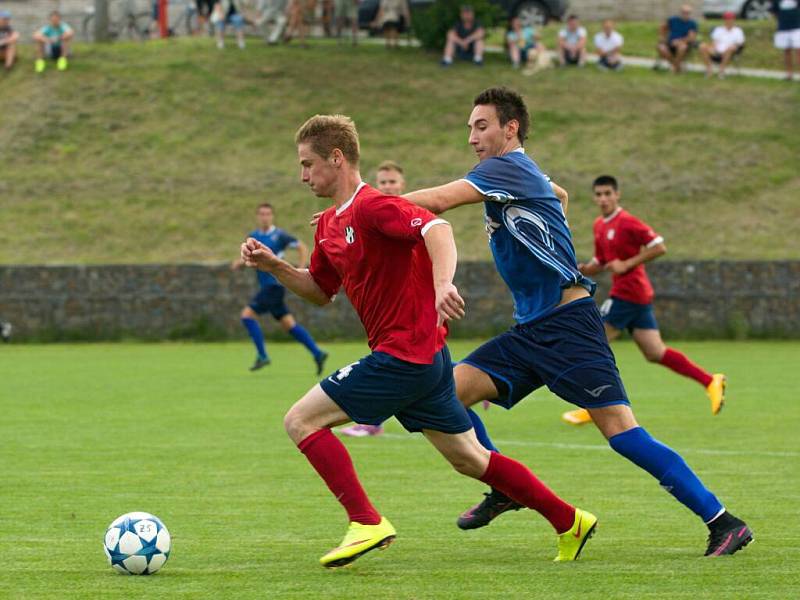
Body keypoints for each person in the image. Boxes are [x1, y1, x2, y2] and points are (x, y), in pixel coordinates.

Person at [402, 86, 752, 557]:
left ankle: (723, 521)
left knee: (623, 433)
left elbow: (439, 201)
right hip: (529, 330)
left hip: (568, 327)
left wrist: (368, 210)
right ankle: (507, 486)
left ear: (511, 129)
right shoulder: (520, 173)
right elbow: (559, 193)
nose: (471, 137)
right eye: (469, 128)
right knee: (447, 393)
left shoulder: (502, 167)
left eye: (480, 126)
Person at [242, 113, 598, 568]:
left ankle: (366, 521)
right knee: (471, 459)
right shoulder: (329, 225)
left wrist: (442, 283)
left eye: (308, 164)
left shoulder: (374, 206)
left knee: (301, 421)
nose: (302, 175)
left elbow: (437, 228)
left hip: (404, 355)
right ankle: (570, 520)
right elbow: (319, 291)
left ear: (337, 158)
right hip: (422, 360)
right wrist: (275, 267)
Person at [561, 175, 726, 426]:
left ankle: (595, 406)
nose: (603, 199)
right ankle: (710, 381)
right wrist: (584, 268)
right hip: (635, 295)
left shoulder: (627, 222)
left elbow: (659, 246)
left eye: (608, 194)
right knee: (654, 352)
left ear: (617, 195)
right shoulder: (599, 225)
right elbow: (602, 261)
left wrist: (628, 263)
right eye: (599, 194)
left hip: (628, 293)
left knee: (592, 343)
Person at [338, 159, 407, 438]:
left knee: (399, 365)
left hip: (413, 306)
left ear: (402, 185)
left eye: (392, 182)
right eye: (383, 182)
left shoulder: (411, 215)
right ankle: (472, 377)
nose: (388, 187)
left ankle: (371, 421)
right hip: (387, 308)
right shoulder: (371, 218)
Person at [232, 203, 328, 373]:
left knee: (247, 316)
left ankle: (262, 355)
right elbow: (251, 255)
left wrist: (300, 266)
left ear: (272, 216)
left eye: (268, 214)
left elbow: (301, 246)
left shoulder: (279, 236)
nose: (265, 217)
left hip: (274, 286)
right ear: (257, 216)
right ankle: (317, 352)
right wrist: (240, 262)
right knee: (288, 324)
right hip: (269, 288)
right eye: (261, 214)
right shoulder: (253, 236)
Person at [700, 12, 745, 79]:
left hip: (729, 52)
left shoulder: (738, 31)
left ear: (733, 20)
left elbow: (740, 43)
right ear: (724, 20)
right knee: (702, 46)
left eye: (730, 19)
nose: (729, 21)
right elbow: (714, 42)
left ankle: (721, 71)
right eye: (727, 19)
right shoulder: (719, 29)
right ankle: (709, 69)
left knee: (731, 48)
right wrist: (713, 48)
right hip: (717, 51)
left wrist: (732, 47)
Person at [657, 4, 698, 73]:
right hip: (670, 43)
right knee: (661, 47)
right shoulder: (672, 20)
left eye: (688, 13)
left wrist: (679, 41)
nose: (685, 14)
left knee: (682, 47)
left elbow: (691, 38)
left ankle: (674, 68)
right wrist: (662, 37)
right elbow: (662, 27)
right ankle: (677, 66)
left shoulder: (692, 23)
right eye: (684, 12)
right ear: (680, 12)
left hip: (683, 44)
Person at [771, 0, 800, 80]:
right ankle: (789, 74)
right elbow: (774, 12)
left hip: (797, 28)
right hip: (783, 28)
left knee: (798, 51)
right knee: (787, 51)